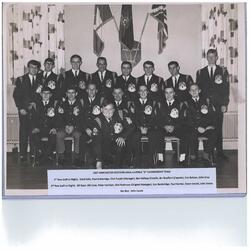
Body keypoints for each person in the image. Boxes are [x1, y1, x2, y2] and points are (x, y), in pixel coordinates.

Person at [196, 49, 230, 160]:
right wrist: (200, 105)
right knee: (207, 127)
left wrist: (225, 104)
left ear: (216, 57)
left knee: (218, 128)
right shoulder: (200, 72)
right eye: (209, 56)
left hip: (218, 105)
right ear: (206, 58)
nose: (211, 59)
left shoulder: (223, 71)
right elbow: (198, 90)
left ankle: (220, 152)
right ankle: (208, 152)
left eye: (213, 56)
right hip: (205, 106)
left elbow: (226, 90)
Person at [89, 99, 134, 169]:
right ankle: (101, 162)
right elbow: (96, 140)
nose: (108, 112)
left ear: (114, 110)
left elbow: (131, 127)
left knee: (120, 144)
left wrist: (123, 137)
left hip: (116, 145)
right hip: (104, 148)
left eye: (110, 109)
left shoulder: (120, 115)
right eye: (105, 109)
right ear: (101, 110)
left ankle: (117, 168)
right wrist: (99, 160)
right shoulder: (97, 121)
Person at [13, 59, 43, 161]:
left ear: (38, 69)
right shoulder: (21, 79)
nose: (34, 69)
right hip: (24, 110)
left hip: (36, 110)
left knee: (34, 131)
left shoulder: (41, 79)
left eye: (36, 67)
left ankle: (33, 153)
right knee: (24, 131)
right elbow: (16, 95)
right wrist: (20, 108)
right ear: (27, 68)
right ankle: (22, 154)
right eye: (31, 67)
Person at [186, 83, 217, 163]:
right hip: (194, 128)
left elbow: (212, 116)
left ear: (199, 90)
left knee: (214, 134)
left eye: (195, 89)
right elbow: (187, 119)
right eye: (192, 90)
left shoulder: (206, 101)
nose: (194, 91)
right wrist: (197, 127)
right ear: (189, 92)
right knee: (190, 134)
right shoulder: (186, 103)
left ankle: (206, 154)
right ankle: (193, 154)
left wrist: (208, 127)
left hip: (206, 127)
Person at [130, 84, 159, 167]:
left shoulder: (153, 102)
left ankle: (150, 158)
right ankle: (137, 157)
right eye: (141, 90)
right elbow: (132, 117)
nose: (143, 92)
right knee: (135, 135)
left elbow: (155, 117)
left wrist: (147, 127)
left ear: (148, 92)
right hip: (137, 127)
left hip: (149, 127)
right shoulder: (133, 103)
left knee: (153, 134)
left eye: (145, 90)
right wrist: (140, 127)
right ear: (138, 92)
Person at [157, 86, 188, 165]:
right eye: (166, 93)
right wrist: (164, 126)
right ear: (164, 94)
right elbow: (157, 119)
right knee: (157, 133)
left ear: (174, 93)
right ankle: (160, 158)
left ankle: (182, 158)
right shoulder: (159, 104)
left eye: (171, 92)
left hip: (176, 128)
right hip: (163, 128)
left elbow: (183, 119)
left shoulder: (181, 104)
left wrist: (174, 126)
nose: (168, 95)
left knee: (185, 133)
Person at [56, 85, 83, 166]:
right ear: (66, 94)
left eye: (73, 93)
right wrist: (65, 126)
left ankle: (76, 158)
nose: (71, 95)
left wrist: (73, 126)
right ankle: (61, 157)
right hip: (65, 128)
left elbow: (82, 119)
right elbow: (59, 118)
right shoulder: (62, 104)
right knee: (59, 134)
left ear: (76, 94)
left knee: (78, 135)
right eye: (69, 93)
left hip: (75, 128)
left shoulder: (80, 104)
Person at [31, 87, 57, 161]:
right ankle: (45, 155)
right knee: (35, 136)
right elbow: (33, 118)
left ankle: (45, 155)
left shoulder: (54, 104)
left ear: (51, 95)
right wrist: (35, 127)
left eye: (48, 93)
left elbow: (58, 118)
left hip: (50, 129)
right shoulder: (36, 105)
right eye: (44, 93)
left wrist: (55, 128)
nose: (45, 95)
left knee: (53, 137)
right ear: (41, 94)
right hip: (39, 129)